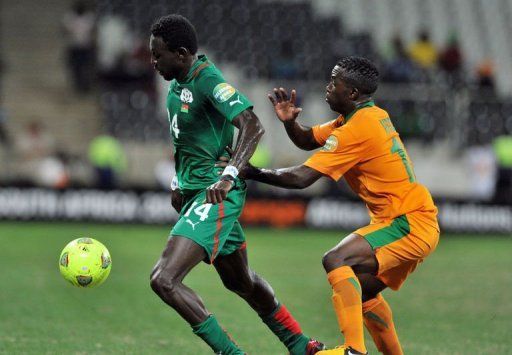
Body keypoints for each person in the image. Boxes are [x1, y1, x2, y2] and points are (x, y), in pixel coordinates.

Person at [231, 57, 440, 355]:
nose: (327, 88)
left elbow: (302, 178)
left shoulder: (357, 128)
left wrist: (251, 171)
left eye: (334, 82)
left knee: (336, 259)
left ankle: (353, 350)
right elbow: (307, 140)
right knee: (364, 294)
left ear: (352, 93)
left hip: (407, 222)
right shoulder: (362, 117)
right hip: (411, 221)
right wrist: (290, 122)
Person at [148, 14, 324, 355]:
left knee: (164, 279)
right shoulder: (176, 83)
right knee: (239, 281)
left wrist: (229, 176)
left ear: (181, 54)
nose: (153, 62)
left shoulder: (208, 80)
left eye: (158, 55)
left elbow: (252, 125)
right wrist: (176, 180)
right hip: (194, 193)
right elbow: (185, 139)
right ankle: (301, 345)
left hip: (215, 195)